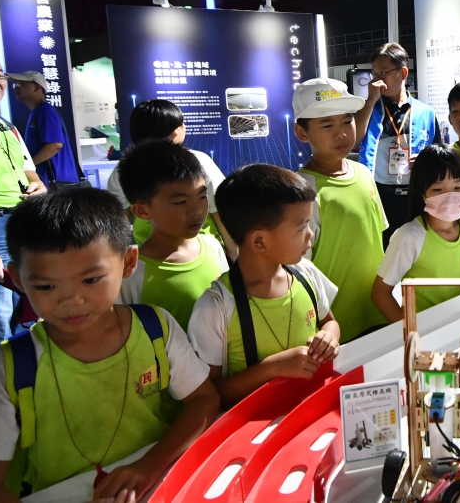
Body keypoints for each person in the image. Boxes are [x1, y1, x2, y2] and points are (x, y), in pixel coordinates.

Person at [0, 188, 219, 503]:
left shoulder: (155, 329)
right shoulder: (7, 367)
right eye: (46, 286)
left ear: (128, 262)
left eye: (90, 280)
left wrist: (149, 465)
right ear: (17, 279)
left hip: (157, 487)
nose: (72, 300)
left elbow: (203, 400)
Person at [187, 165, 340, 407]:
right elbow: (210, 395)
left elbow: (329, 321)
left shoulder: (306, 274)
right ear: (259, 240)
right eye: (302, 227)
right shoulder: (215, 308)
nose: (310, 234)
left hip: (311, 409)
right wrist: (272, 368)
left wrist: (329, 337)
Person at [293, 77, 388, 343]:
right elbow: (299, 268)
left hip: (379, 312)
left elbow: (376, 241)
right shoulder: (302, 191)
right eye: (327, 125)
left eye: (347, 121)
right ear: (302, 133)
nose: (342, 133)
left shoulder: (364, 173)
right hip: (335, 328)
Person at [116, 140, 229, 331]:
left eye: (202, 197)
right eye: (180, 202)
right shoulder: (129, 274)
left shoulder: (213, 246)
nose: (196, 211)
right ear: (142, 211)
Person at [106, 100, 234, 256]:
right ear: (176, 131)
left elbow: (119, 219)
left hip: (150, 254)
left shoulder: (125, 169)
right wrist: (233, 252)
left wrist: (117, 257)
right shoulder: (199, 161)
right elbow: (219, 210)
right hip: (205, 251)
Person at [371, 145, 460, 322]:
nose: (450, 197)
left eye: (458, 187)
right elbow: (380, 293)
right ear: (421, 193)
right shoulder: (409, 236)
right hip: (422, 331)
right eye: (438, 190)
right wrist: (410, 331)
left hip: (455, 326)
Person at [0, 51, 46, 353]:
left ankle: (19, 374)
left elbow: (28, 169)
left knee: (27, 310)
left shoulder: (7, 126)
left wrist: (38, 185)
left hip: (22, 225)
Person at [354, 44, 442, 248]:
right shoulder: (368, 108)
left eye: (383, 72)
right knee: (381, 250)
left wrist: (425, 162)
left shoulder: (425, 112)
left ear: (403, 73)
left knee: (416, 249)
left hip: (415, 195)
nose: (377, 79)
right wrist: (370, 101)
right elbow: (353, 141)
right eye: (374, 73)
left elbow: (438, 154)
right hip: (378, 194)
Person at [9, 71, 79, 187]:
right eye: (16, 84)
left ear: (37, 88)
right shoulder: (38, 111)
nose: (16, 88)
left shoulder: (45, 110)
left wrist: (29, 166)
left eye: (21, 84)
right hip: (54, 180)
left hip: (56, 181)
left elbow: (55, 144)